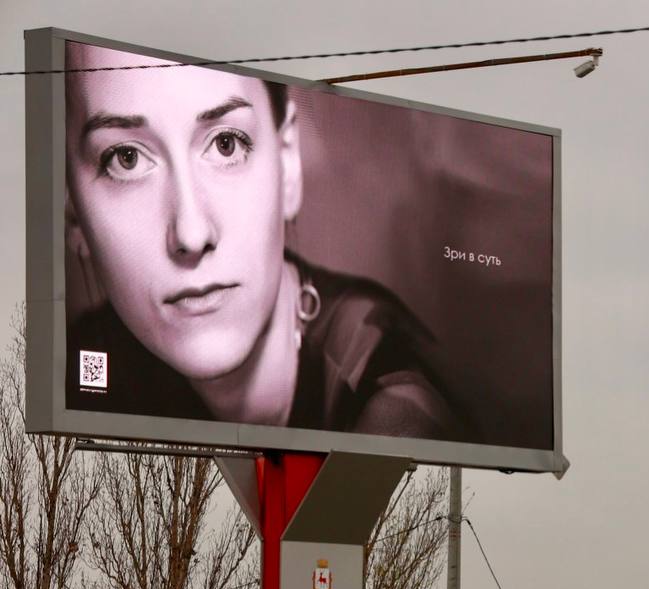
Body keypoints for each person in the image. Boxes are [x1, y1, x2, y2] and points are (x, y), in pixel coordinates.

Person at [63, 42, 466, 440]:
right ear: (73, 213)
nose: (191, 233)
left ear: (288, 164)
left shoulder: (393, 398)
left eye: (227, 144)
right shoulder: (78, 365)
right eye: (125, 157)